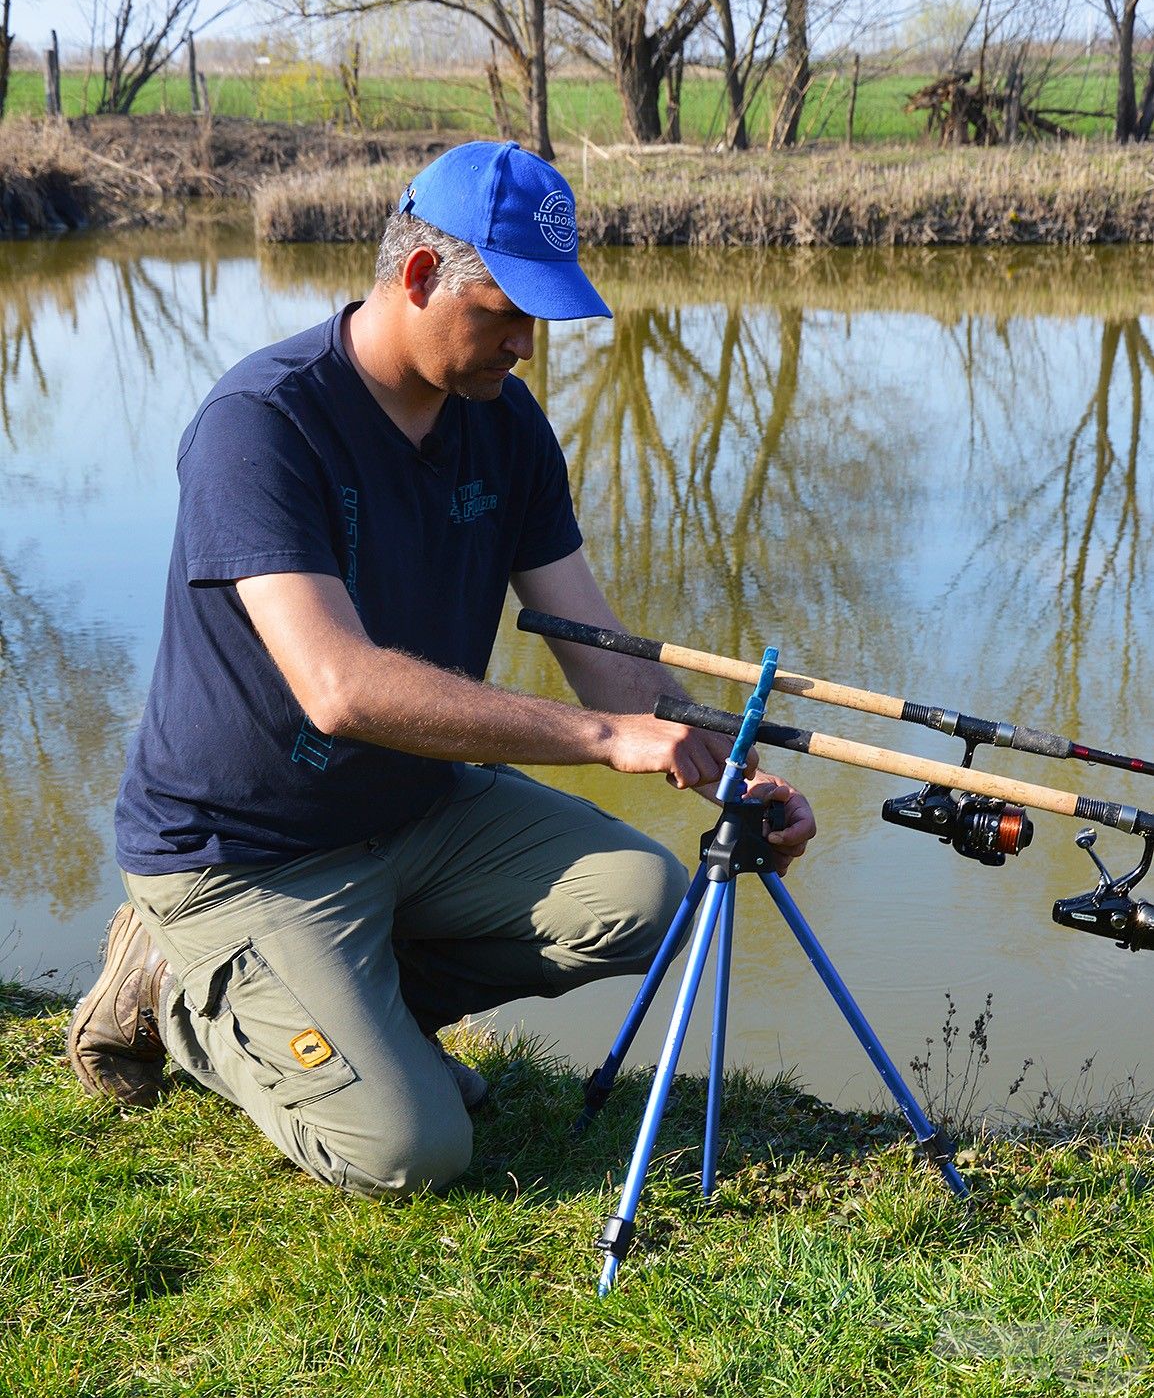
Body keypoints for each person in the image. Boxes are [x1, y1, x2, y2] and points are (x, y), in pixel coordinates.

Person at [67, 140, 815, 1197]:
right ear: (419, 277)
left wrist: (725, 768)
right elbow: (341, 689)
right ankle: (179, 995)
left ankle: (350, 1016)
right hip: (245, 853)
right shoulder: (262, 426)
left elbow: (593, 646)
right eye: (506, 312)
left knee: (648, 898)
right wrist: (605, 743)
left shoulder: (503, 424)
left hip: (417, 813)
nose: (528, 343)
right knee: (413, 1151)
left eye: (540, 317)